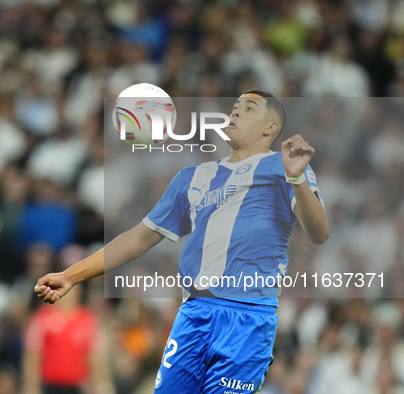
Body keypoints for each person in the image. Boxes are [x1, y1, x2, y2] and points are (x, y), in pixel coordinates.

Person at [34, 89, 330, 393]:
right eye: (235, 106)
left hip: (247, 319)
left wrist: (296, 179)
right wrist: (71, 275)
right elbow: (139, 238)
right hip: (193, 314)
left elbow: (319, 233)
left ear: (271, 127)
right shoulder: (193, 178)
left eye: (249, 108)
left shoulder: (285, 168)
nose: (236, 112)